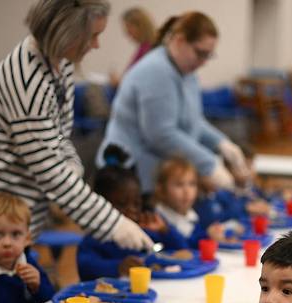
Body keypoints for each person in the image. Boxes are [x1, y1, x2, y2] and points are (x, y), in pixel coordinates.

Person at [0, 0, 152, 252]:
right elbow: (49, 171)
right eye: (92, 36)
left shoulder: (59, 63)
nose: (96, 45)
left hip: (16, 208)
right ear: (67, 32)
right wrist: (115, 225)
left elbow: (59, 134)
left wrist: (72, 165)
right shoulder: (28, 80)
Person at [96, 11, 250, 195]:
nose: (203, 62)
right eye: (200, 53)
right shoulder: (156, 70)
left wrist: (222, 144)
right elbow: (160, 134)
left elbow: (193, 120)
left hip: (152, 174)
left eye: (208, 55)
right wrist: (209, 165)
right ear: (179, 41)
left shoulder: (187, 72)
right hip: (127, 177)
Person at [77, 158, 188, 280]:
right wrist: (118, 267)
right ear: (101, 205)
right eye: (122, 204)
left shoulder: (144, 231)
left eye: (136, 204)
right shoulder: (95, 238)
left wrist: (165, 230)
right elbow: (85, 267)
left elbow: (183, 251)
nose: (132, 210)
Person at [0, 192, 55, 303]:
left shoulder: (28, 262)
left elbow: (49, 301)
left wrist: (37, 286)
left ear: (27, 238)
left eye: (16, 234)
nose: (7, 243)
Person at [153, 157, 224, 248]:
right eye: (179, 184)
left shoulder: (192, 216)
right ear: (162, 190)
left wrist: (210, 234)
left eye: (192, 184)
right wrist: (206, 236)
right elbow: (182, 246)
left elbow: (193, 241)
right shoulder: (157, 220)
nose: (187, 191)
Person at [109, 7, 156, 86]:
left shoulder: (149, 50)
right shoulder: (144, 47)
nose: (127, 32)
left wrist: (118, 82)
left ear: (140, 26)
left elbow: (139, 82)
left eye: (128, 27)